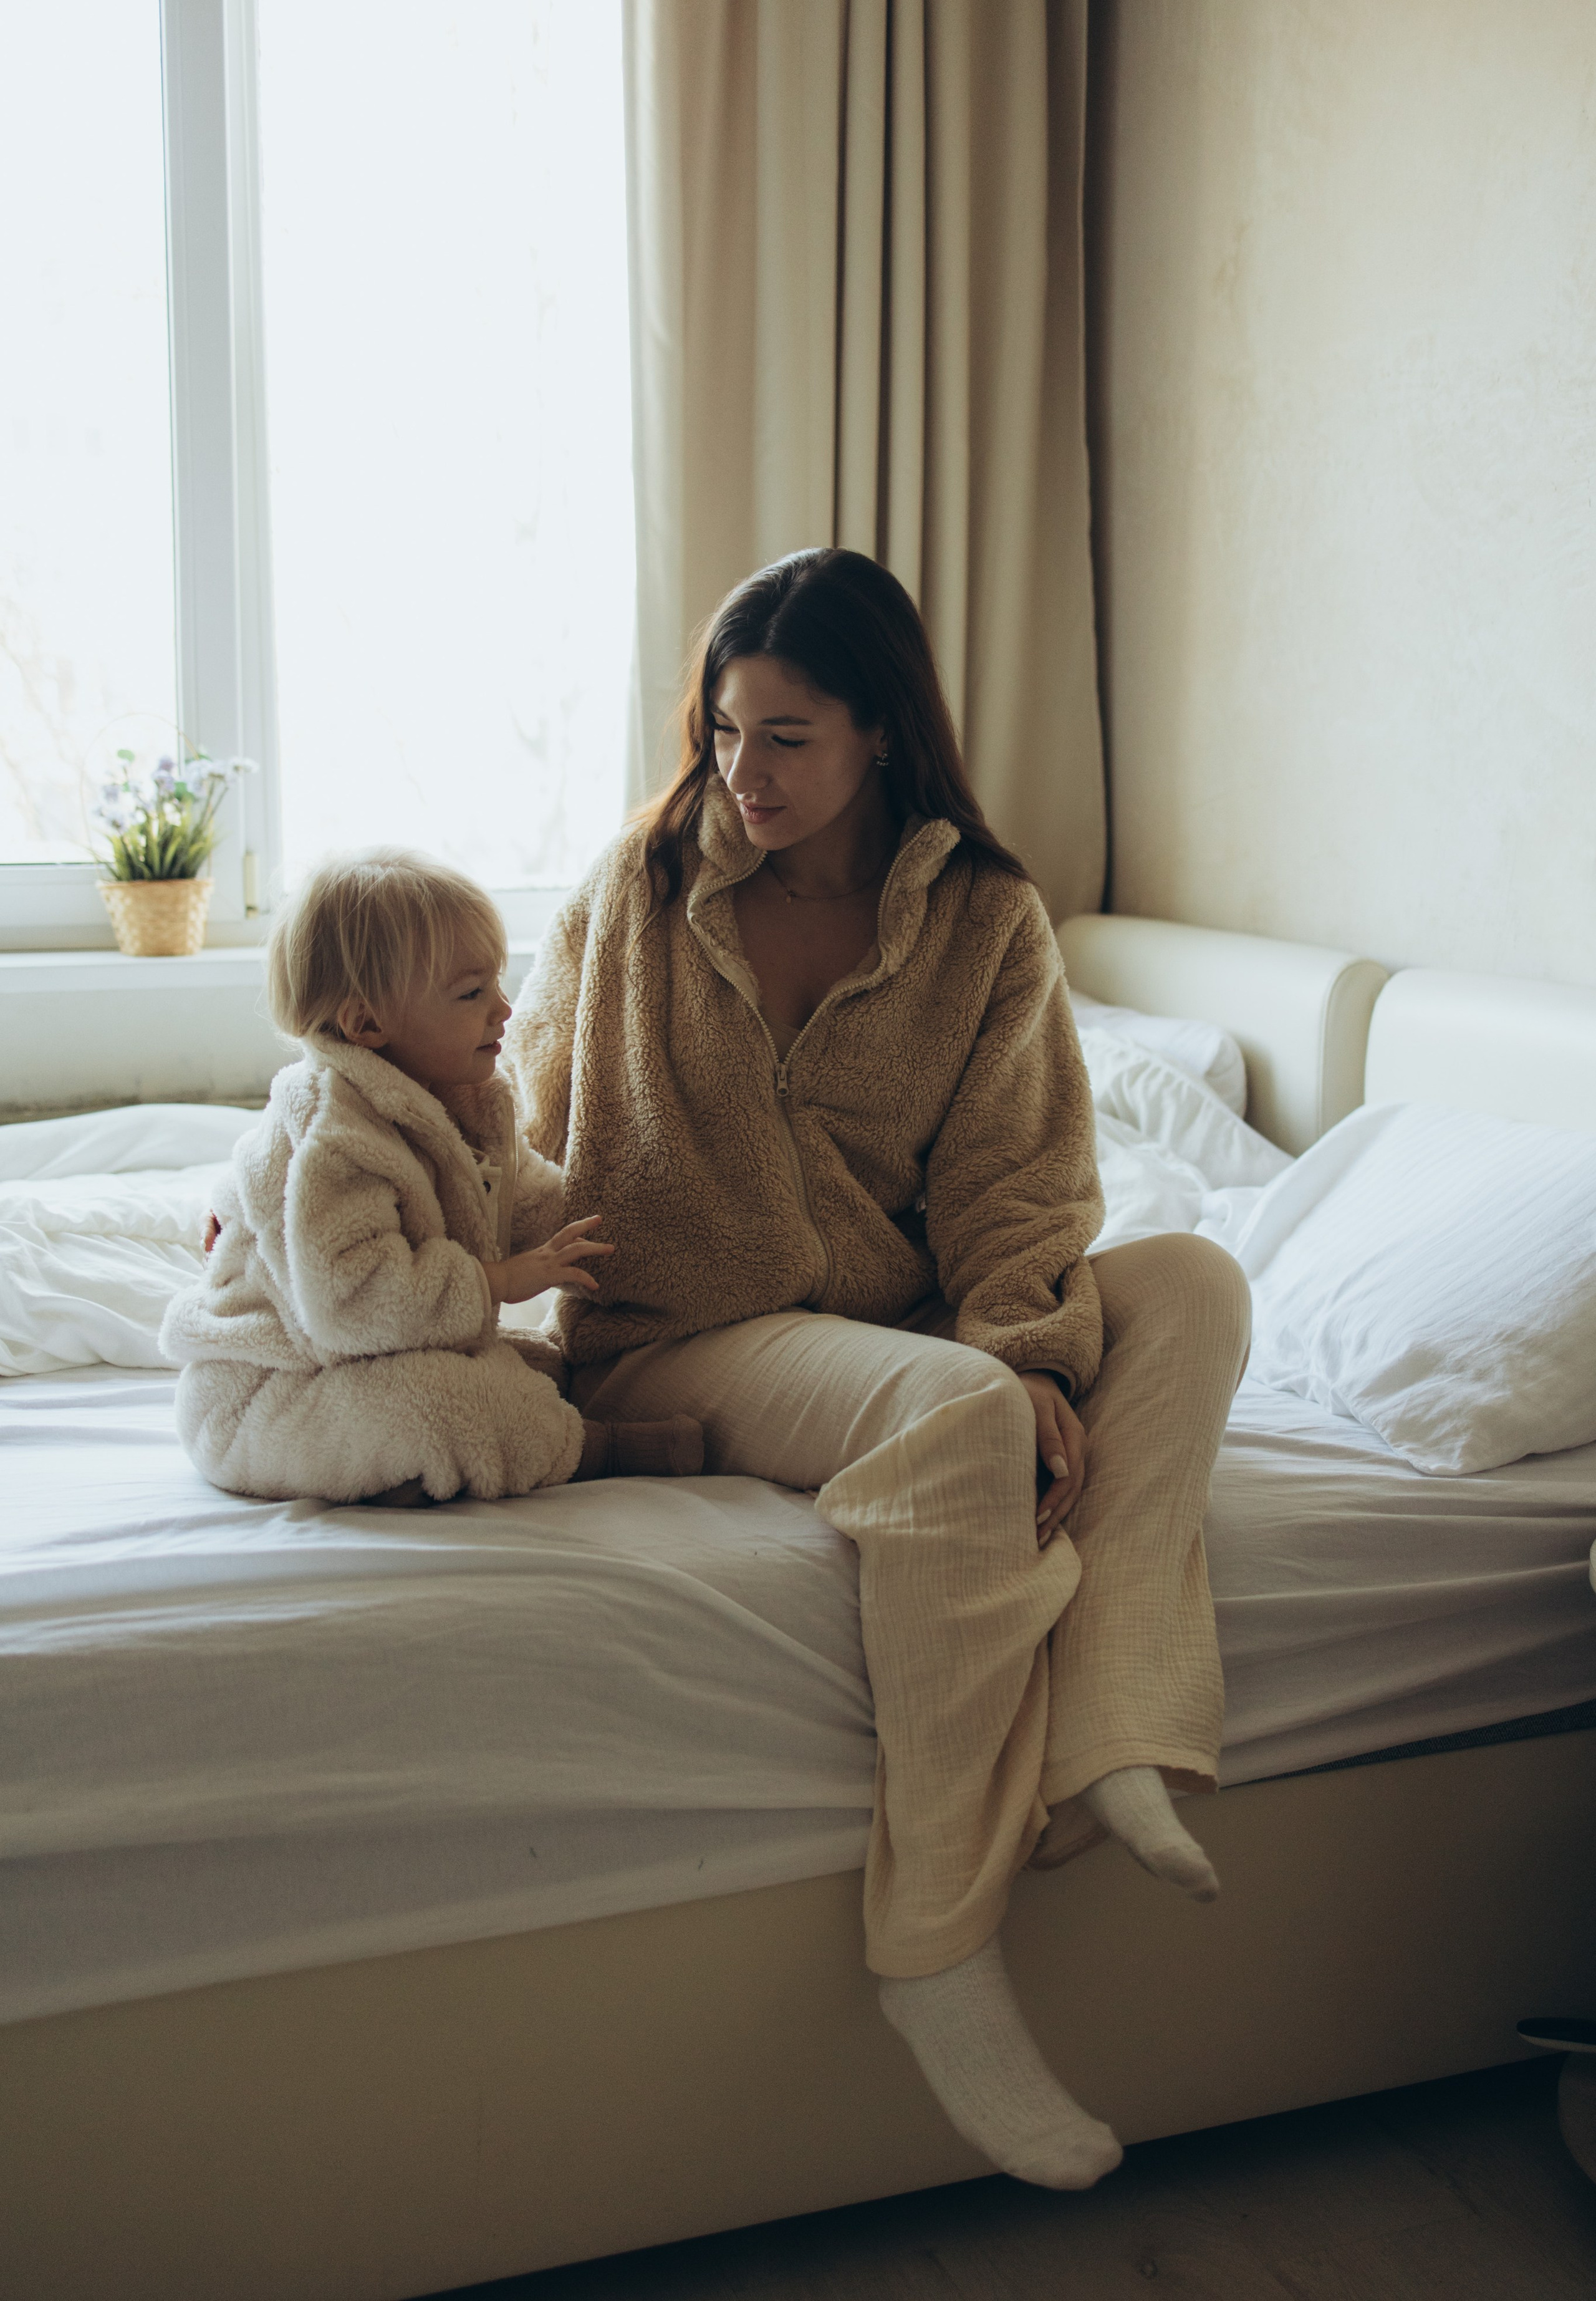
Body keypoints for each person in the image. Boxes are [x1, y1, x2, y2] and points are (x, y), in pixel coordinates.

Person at [505, 549, 1250, 2191]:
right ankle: (936, 1944)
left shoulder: (984, 918)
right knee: (961, 1407)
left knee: (1194, 1283)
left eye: (787, 737)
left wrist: (1025, 1344)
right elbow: (516, 1097)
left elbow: (1019, 1173)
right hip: (678, 1331)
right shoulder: (640, 887)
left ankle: (1115, 1719)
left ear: (881, 733)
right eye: (724, 733)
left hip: (893, 1327)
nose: (744, 773)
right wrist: (344, 1188)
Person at [161, 849, 702, 1503]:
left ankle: (422, 1466)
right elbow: (354, 1303)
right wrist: (498, 1280)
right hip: (266, 1393)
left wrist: (629, 1232)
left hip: (356, 1363)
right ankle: (602, 1449)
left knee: (543, 1366)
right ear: (368, 1024)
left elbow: (520, 1200)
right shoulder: (337, 1138)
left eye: (496, 982)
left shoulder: (459, 1097)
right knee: (449, 1403)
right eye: (472, 994)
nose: (504, 1008)